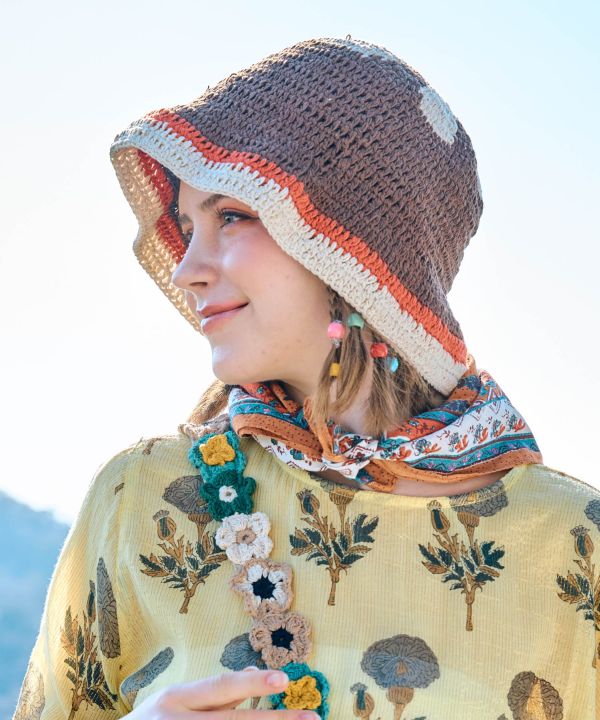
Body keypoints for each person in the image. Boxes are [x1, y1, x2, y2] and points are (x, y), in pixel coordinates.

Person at [13, 36, 599, 720]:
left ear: (356, 251)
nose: (187, 268)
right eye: (187, 226)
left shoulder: (574, 544)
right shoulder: (140, 498)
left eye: (232, 216)